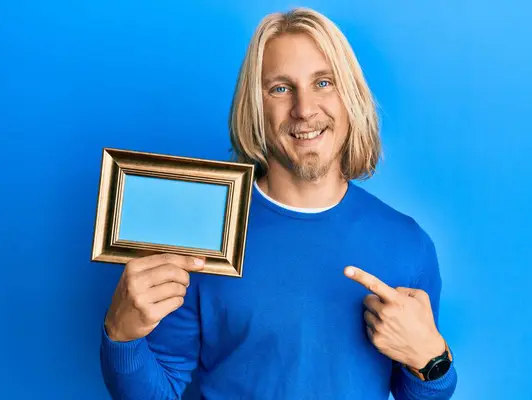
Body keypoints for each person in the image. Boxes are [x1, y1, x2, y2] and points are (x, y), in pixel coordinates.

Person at [100, 7, 458, 400]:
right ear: (256, 106)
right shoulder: (207, 233)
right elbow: (158, 391)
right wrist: (120, 337)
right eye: (281, 88)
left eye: (323, 82)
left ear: (350, 98)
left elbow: (421, 391)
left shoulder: (408, 244)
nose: (304, 109)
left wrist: (432, 359)